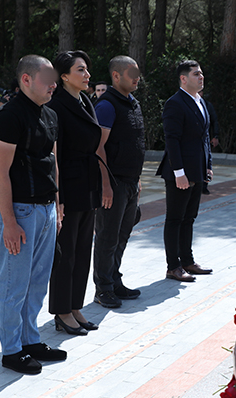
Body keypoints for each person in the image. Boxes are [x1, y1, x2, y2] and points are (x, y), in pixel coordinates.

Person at [0, 54, 66, 374]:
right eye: (47, 80)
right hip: (20, 211)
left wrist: (58, 206)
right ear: (26, 80)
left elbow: (52, 162)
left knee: (37, 282)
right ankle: (11, 351)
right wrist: (9, 222)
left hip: (46, 208)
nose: (53, 85)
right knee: (13, 284)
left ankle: (30, 340)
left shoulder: (50, 114)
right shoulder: (9, 116)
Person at [47, 50, 101, 335]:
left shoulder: (85, 100)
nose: (87, 74)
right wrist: (60, 199)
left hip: (88, 184)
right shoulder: (56, 106)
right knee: (65, 253)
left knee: (82, 252)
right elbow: (56, 157)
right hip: (69, 185)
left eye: (87, 69)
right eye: (80, 70)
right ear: (64, 76)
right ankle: (62, 310)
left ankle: (76, 306)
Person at [93, 56, 145, 308]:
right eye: (131, 73)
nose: (137, 78)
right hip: (113, 184)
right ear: (116, 76)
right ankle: (102, 288)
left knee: (122, 235)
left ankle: (114, 280)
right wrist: (105, 185)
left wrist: (138, 180)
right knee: (107, 238)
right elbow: (98, 147)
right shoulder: (106, 105)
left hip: (130, 182)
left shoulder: (133, 103)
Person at [157, 60, 213, 282]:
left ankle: (187, 261)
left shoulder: (200, 101)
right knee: (175, 219)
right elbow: (172, 139)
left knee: (189, 218)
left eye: (201, 73)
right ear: (183, 78)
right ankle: (173, 266)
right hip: (179, 173)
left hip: (197, 170)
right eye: (196, 74)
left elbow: (204, 137)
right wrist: (179, 172)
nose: (201, 77)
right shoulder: (175, 103)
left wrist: (207, 165)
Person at [199, 89, 219, 195]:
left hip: (205, 138)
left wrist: (215, 136)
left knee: (206, 160)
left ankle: (204, 185)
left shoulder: (207, 105)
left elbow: (214, 121)